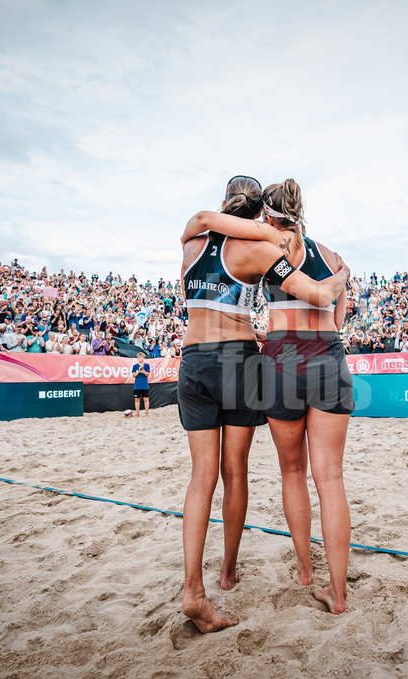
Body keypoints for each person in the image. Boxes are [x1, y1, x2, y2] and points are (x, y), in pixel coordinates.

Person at [176, 175, 349, 633]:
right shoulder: (277, 250)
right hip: (258, 359)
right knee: (247, 474)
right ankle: (234, 573)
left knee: (205, 478)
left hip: (202, 358)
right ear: (258, 214)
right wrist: (342, 272)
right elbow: (325, 299)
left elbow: (211, 226)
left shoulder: (192, 242)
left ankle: (198, 586)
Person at [132, 351, 150, 417]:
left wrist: (143, 370)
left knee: (146, 399)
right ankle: (137, 414)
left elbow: (147, 374)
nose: (140, 358)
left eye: (141, 357)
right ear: (137, 358)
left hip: (145, 385)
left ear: (143, 358)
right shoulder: (135, 366)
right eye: (139, 357)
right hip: (137, 386)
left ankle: (146, 414)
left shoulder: (147, 365)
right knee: (137, 400)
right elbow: (134, 375)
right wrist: (139, 370)